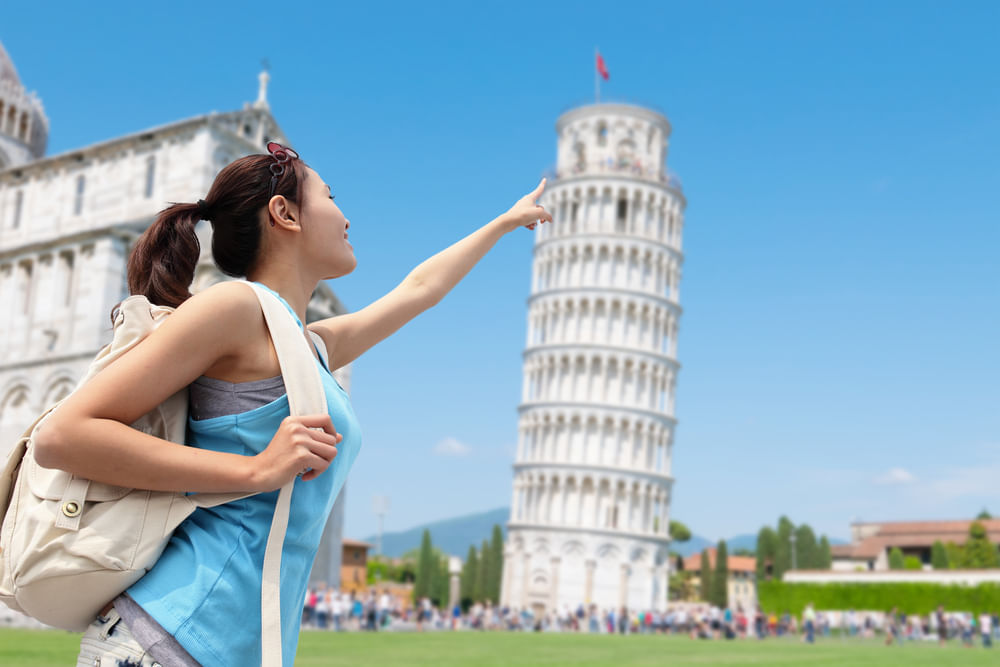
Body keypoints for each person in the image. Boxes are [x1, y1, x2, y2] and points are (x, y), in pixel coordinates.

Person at [36, 143, 552, 666]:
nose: (346, 217)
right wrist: (257, 469)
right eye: (330, 196)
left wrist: (504, 223)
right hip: (162, 642)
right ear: (284, 213)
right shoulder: (235, 306)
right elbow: (63, 436)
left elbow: (419, 289)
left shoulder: (308, 348)